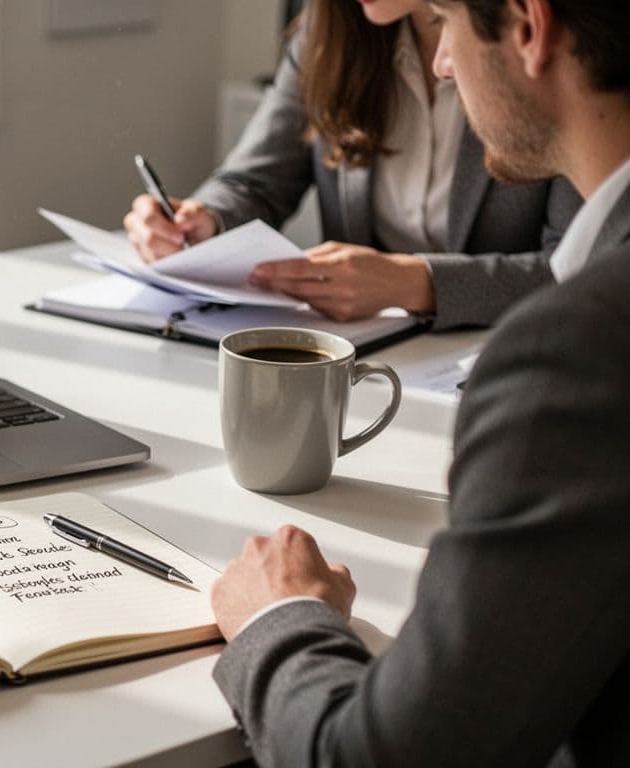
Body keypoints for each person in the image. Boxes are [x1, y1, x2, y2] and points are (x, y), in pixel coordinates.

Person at [208, 0, 630, 764]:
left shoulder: (576, 355)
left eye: (450, 20)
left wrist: (281, 613)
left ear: (529, 29)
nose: (442, 62)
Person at [124, 0, 581, 327]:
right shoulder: (326, 36)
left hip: (493, 358)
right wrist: (202, 221)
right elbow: (255, 180)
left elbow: (580, 270)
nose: (445, 63)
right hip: (357, 356)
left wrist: (417, 283)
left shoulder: (532, 41)